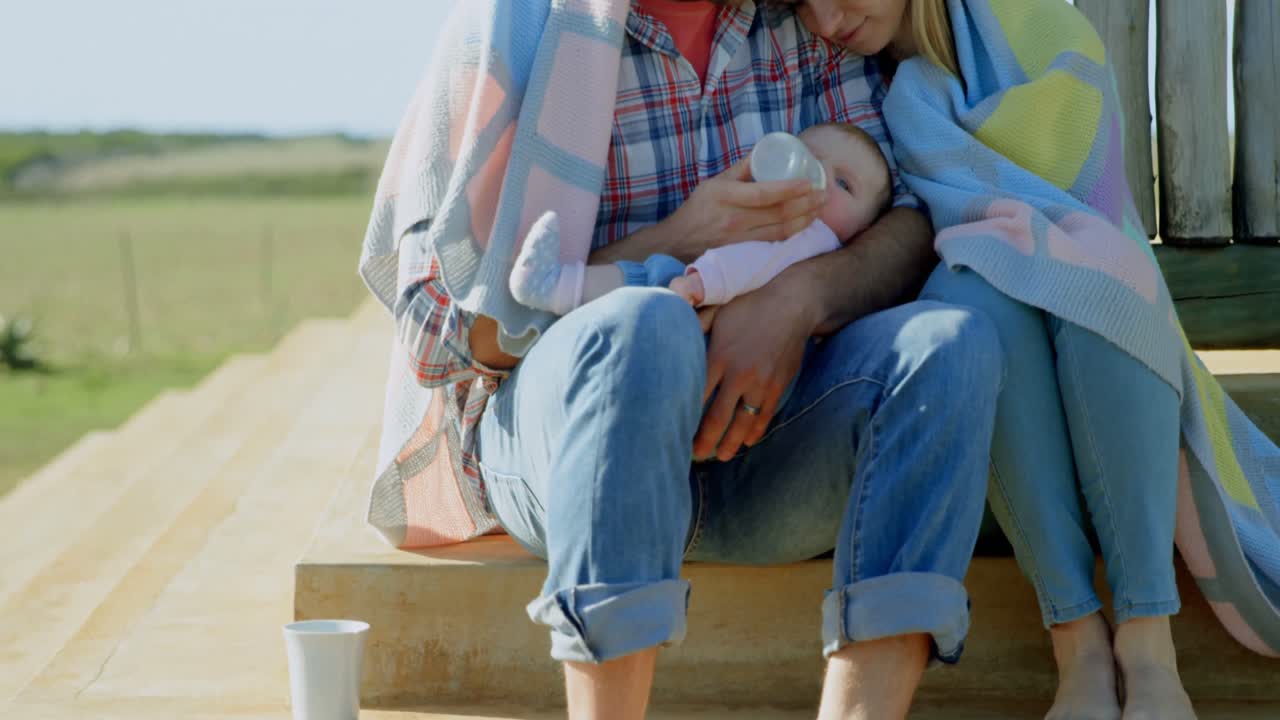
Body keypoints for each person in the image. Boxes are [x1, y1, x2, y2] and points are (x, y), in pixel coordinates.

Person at [362, 1, 1004, 718]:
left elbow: (909, 215)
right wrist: (679, 239)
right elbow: (441, 336)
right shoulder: (524, 27)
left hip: (765, 454)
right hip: (566, 460)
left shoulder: (804, 26)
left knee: (952, 344)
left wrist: (796, 301)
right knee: (647, 325)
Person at [788, 1, 1280, 719]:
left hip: (1086, 261)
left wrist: (1028, 230)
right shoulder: (841, 74)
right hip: (948, 294)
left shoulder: (1032, 25)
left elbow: (1086, 192)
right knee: (969, 302)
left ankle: (1148, 639)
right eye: (803, 3)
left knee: (1101, 270)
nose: (827, 19)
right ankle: (1075, 637)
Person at [508, 122, 891, 312]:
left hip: (705, 289)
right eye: (810, 157)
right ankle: (556, 286)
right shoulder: (782, 209)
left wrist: (703, 283)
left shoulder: (818, 239)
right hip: (699, 284)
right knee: (642, 275)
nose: (819, 177)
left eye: (844, 183)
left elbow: (757, 262)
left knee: (648, 276)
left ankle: (557, 286)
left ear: (864, 228)